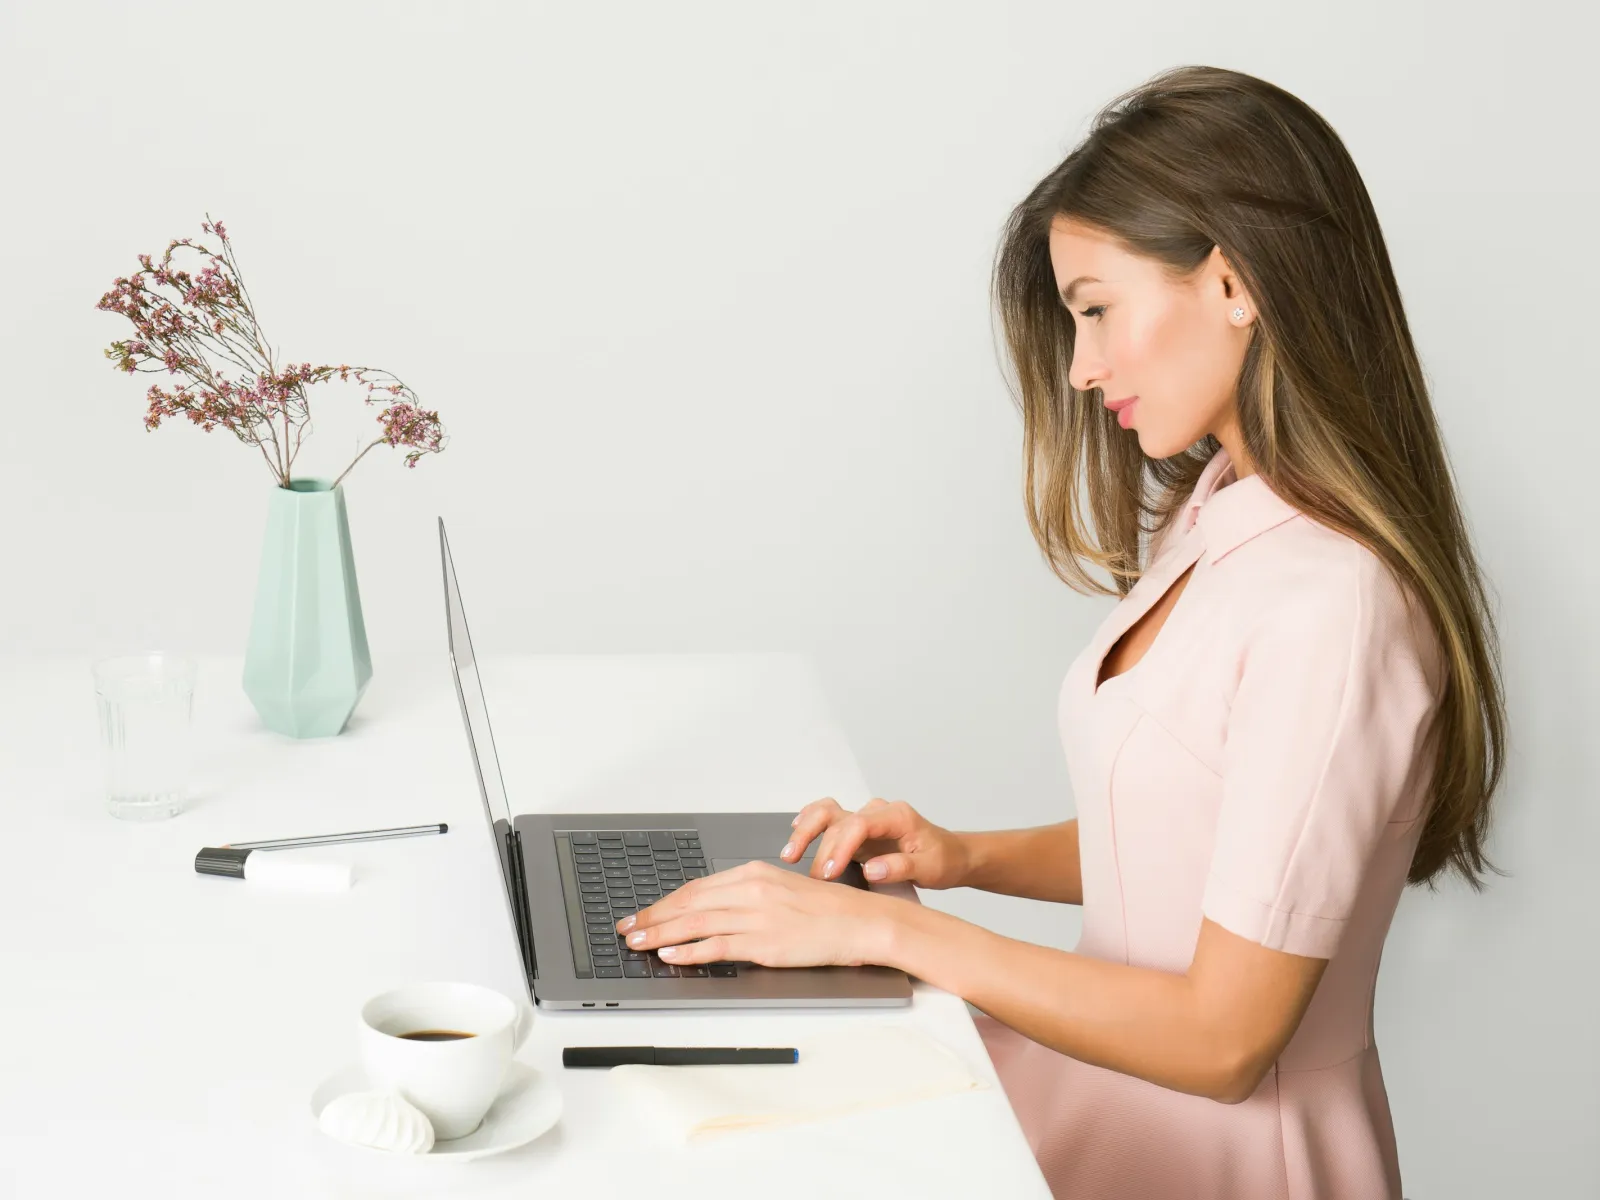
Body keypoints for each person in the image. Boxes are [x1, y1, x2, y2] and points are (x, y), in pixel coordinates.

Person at [614, 64, 1506, 1200]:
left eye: (1094, 309)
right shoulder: (1220, 514)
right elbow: (1196, 843)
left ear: (1232, 282)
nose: (1081, 369)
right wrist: (957, 856)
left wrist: (895, 937)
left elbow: (1224, 1042)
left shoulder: (1333, 605)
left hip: (1230, 1158)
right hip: (1100, 1100)